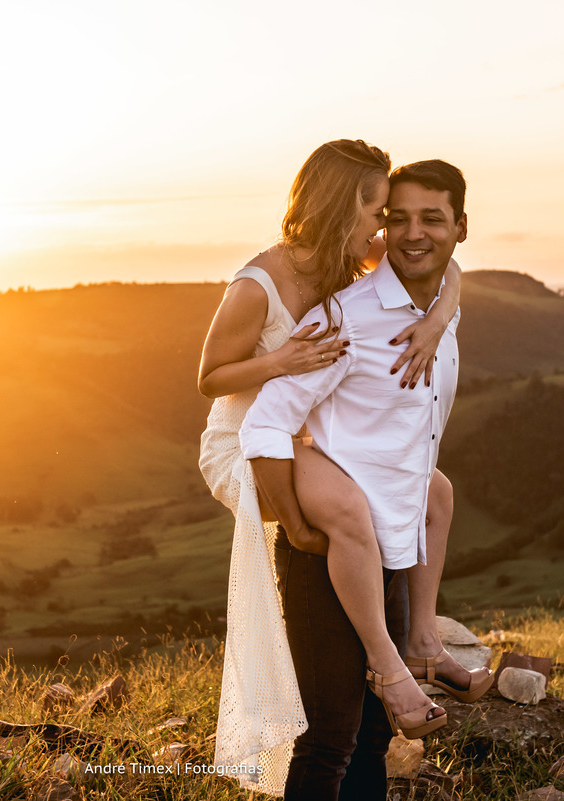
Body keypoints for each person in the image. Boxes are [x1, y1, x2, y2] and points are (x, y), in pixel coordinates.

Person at [198, 141, 477, 796]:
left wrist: (437, 319)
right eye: (377, 211)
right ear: (341, 205)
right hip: (247, 443)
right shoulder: (258, 281)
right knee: (351, 513)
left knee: (431, 487)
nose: (385, 228)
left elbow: (445, 261)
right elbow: (209, 376)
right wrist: (281, 362)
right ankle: (392, 662)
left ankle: (422, 640)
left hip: (309, 440)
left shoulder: (348, 261)